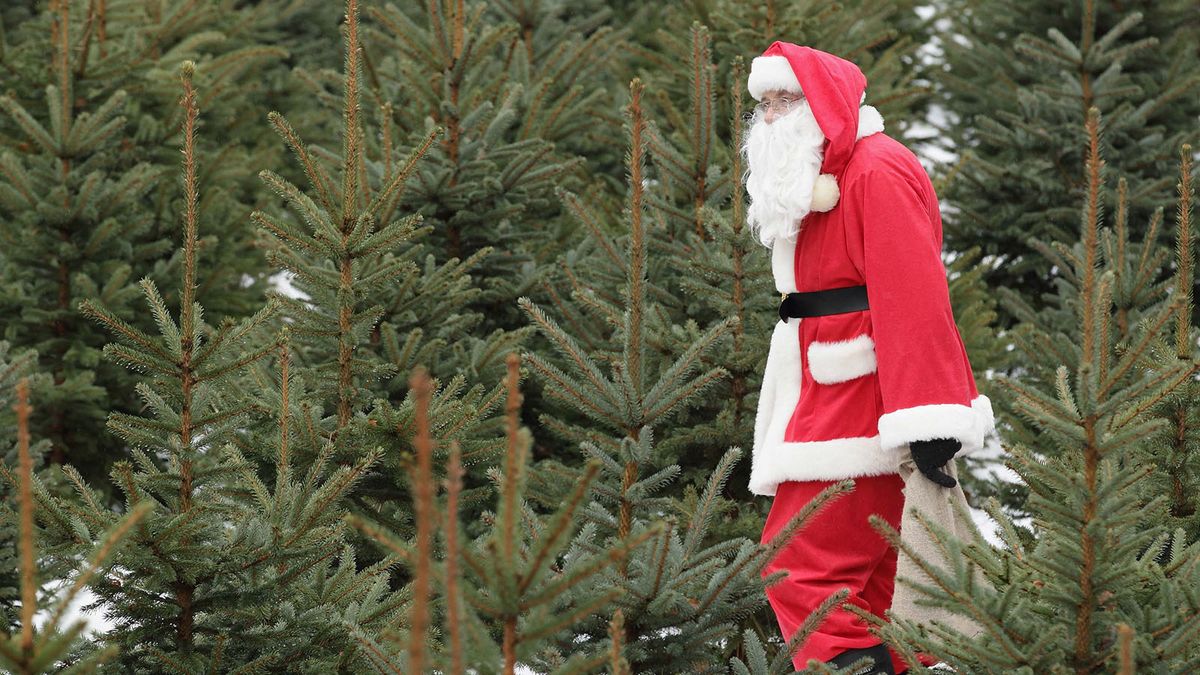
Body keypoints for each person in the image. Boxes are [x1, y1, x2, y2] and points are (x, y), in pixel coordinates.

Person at [743, 42, 996, 674]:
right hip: (825, 386)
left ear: (823, 102)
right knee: (880, 579)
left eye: (786, 101)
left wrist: (931, 419)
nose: (771, 118)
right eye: (764, 104)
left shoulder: (875, 170)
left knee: (800, 565)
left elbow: (915, 302)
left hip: (861, 397)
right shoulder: (820, 174)